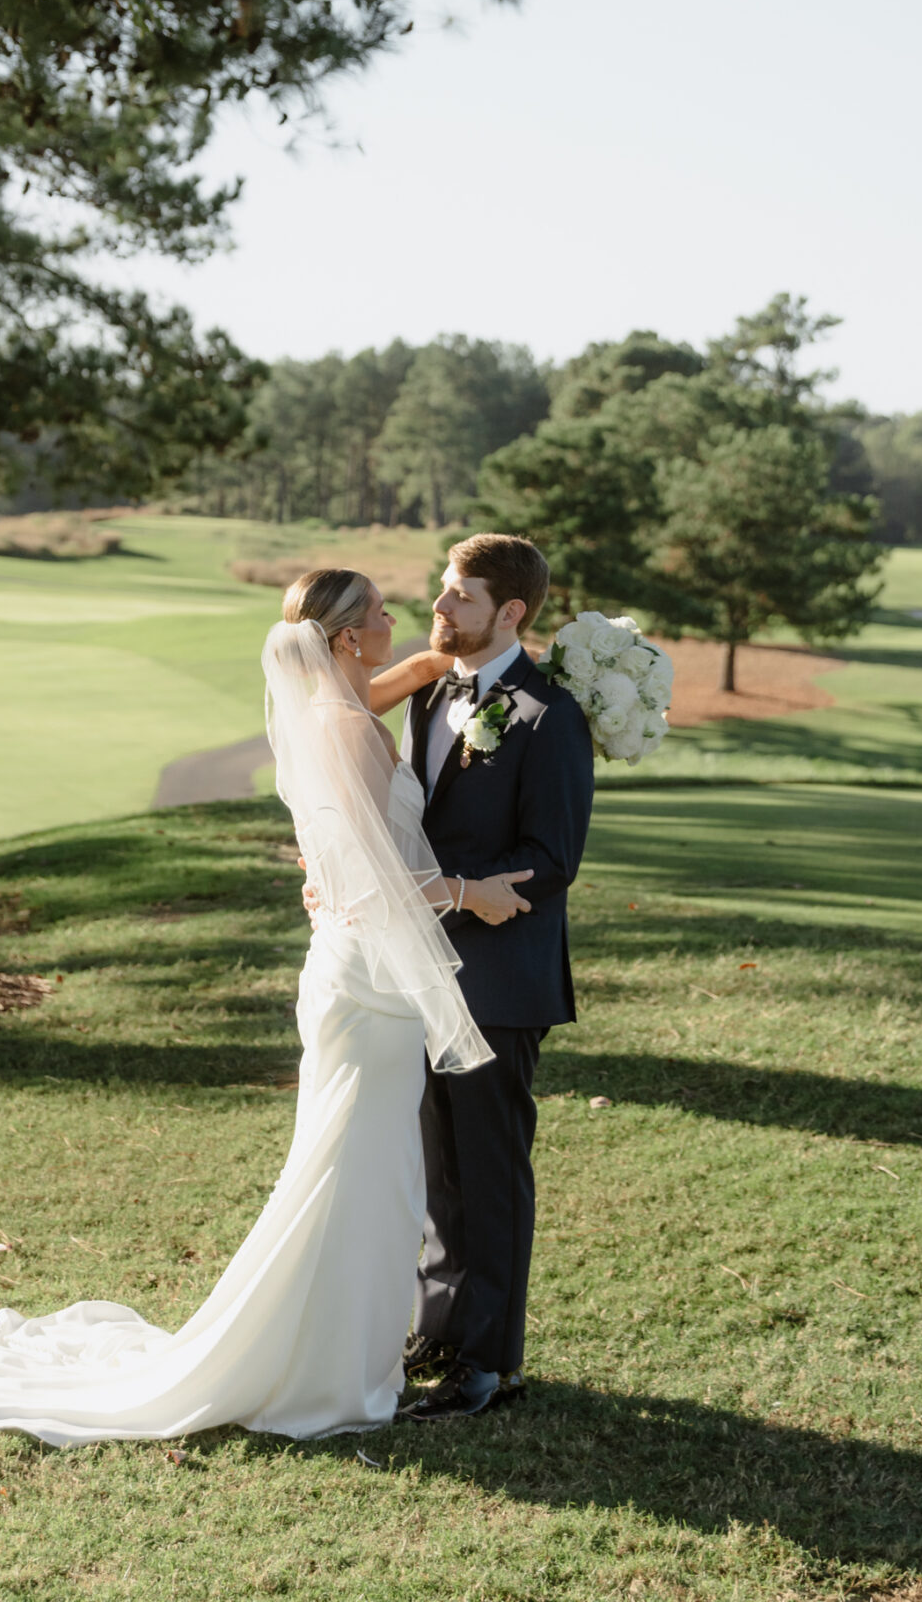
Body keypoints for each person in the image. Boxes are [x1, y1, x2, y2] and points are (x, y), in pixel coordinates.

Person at [0, 568, 532, 1445]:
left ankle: (345, 1353)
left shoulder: (335, 710)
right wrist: (475, 893)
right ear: (346, 638)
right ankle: (324, 1370)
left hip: (359, 975)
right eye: (383, 612)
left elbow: (384, 699)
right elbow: (380, 876)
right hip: (367, 984)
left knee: (365, 1171)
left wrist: (457, 663)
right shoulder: (347, 728)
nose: (401, 617)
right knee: (360, 1176)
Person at [397, 532, 595, 1423]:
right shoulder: (433, 691)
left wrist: (458, 896)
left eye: (459, 597)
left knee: (491, 1169)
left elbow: (551, 859)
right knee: (440, 1169)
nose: (438, 611)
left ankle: (489, 1364)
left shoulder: (550, 717)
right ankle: (437, 1328)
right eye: (442, 592)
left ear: (510, 612)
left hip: (498, 980)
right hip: (420, 971)